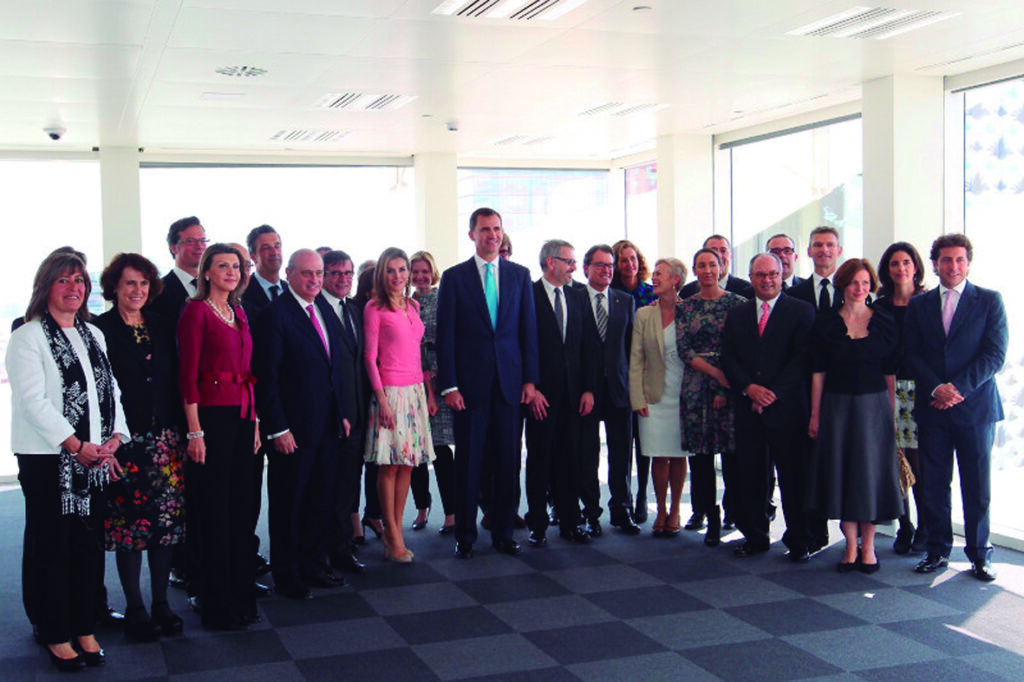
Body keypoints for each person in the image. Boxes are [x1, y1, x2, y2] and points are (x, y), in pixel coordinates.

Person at [7, 249, 128, 671]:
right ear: (46, 286)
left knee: (86, 546)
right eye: (64, 280)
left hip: (92, 457)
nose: (74, 287)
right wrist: (76, 446)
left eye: (80, 280)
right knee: (53, 549)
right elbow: (33, 402)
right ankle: (56, 633)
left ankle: (83, 627)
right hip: (48, 458)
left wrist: (116, 437)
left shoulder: (93, 333)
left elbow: (110, 391)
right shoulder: (28, 336)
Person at [436, 207, 539, 559]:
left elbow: (529, 332)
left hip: (510, 386)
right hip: (469, 389)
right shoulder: (454, 278)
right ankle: (465, 536)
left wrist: (530, 380)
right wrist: (450, 386)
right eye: (484, 230)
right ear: (472, 235)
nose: (492, 235)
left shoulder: (519, 275)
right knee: (469, 463)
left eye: (496, 229)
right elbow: (445, 336)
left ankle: (503, 532)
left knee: (508, 462)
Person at [904, 234, 1007, 582]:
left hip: (975, 410)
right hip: (933, 408)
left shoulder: (989, 301)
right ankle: (937, 551)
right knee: (934, 482)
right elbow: (910, 353)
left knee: (977, 486)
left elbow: (995, 354)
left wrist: (957, 389)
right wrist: (937, 388)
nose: (953, 266)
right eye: (946, 260)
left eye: (960, 260)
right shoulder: (919, 306)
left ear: (968, 263)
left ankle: (980, 555)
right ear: (935, 264)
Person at [94, 254, 185, 641]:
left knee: (165, 527)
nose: (138, 291)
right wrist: (108, 443)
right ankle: (135, 607)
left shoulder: (163, 326)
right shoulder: (99, 330)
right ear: (114, 286)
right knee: (128, 529)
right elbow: (98, 392)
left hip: (165, 441)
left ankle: (161, 603)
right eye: (130, 283)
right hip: (125, 443)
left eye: (144, 284)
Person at [254, 249, 352, 598]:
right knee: (288, 504)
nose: (314, 280)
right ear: (290, 274)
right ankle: (287, 573)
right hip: (292, 432)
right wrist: (278, 428)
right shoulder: (274, 315)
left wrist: (341, 412)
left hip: (326, 426)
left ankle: (314, 565)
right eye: (307, 273)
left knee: (320, 501)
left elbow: (333, 368)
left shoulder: (324, 308)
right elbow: (267, 380)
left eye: (318, 273)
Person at [177, 243, 260, 630]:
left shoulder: (238, 311)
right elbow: (187, 377)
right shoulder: (195, 312)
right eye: (223, 265)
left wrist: (256, 424)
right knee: (214, 514)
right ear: (205, 272)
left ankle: (241, 596)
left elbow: (248, 372)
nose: (231, 271)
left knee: (242, 512)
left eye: (237, 266)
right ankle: (216, 603)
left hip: (243, 418)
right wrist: (195, 431)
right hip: (210, 419)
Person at [806, 258, 902, 573]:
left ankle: (870, 548)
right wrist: (815, 415)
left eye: (864, 283)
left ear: (870, 286)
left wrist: (892, 414)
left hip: (874, 408)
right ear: (843, 286)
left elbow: (890, 373)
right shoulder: (826, 322)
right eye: (853, 283)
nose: (859, 289)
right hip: (836, 407)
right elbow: (818, 372)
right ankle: (849, 547)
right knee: (843, 474)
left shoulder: (884, 321)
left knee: (870, 476)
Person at [721, 253, 818, 561]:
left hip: (787, 410)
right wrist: (750, 389)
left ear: (781, 276)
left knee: (793, 478)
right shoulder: (737, 314)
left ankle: (798, 539)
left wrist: (771, 394)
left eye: (772, 274)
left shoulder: (802, 311)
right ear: (751, 277)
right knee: (750, 477)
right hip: (749, 408)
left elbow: (803, 359)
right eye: (760, 275)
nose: (767, 280)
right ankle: (755, 536)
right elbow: (728, 358)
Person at [364, 247, 436, 562]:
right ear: (382, 273)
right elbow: (369, 358)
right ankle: (392, 535)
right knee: (389, 464)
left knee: (407, 463)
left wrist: (429, 393)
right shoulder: (374, 307)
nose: (398, 276)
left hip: (415, 391)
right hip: (390, 391)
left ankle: (396, 531)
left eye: (402, 270)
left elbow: (417, 354)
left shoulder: (413, 306)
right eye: (391, 270)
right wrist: (382, 400)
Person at [524, 240, 597, 547]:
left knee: (571, 460)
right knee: (539, 460)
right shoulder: (528, 294)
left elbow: (590, 345)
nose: (573, 267)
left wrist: (589, 389)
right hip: (540, 394)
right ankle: (537, 523)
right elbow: (521, 343)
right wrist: (530, 386)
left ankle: (570, 521)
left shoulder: (578, 296)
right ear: (551, 262)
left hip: (573, 394)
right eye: (568, 261)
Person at [677, 248, 746, 546]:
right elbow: (685, 350)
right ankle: (711, 517)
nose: (707, 270)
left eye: (713, 265)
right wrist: (715, 375)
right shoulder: (685, 307)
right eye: (701, 265)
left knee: (732, 457)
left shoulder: (738, 304)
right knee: (701, 459)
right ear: (694, 270)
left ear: (722, 267)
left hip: (731, 385)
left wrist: (723, 382)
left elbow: (741, 348)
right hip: (695, 387)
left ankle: (734, 512)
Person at [578, 245, 640, 535]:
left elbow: (631, 350)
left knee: (621, 454)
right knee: (587, 455)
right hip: (586, 393)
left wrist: (632, 387)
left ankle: (621, 509)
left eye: (610, 265)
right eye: (600, 265)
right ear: (586, 268)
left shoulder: (624, 301)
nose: (607, 270)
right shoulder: (574, 298)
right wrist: (583, 387)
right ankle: (591, 511)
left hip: (619, 390)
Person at [874, 241, 928, 554]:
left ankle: (925, 527)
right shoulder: (879, 306)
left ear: (916, 267)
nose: (901, 269)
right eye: (895, 263)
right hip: (889, 388)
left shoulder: (928, 302)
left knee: (919, 462)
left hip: (921, 389)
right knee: (897, 461)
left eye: (906, 262)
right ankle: (904, 525)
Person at [629, 258, 690, 537]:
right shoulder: (644, 314)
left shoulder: (690, 311)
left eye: (659, 274)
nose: (653, 278)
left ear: (676, 280)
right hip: (653, 394)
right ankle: (661, 508)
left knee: (678, 455)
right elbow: (636, 359)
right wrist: (637, 398)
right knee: (658, 455)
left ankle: (676, 508)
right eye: (653, 273)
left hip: (683, 394)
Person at [319, 250, 370, 570]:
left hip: (358, 413)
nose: (343, 279)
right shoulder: (314, 309)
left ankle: (340, 548)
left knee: (348, 486)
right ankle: (321, 550)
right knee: (324, 487)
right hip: (327, 417)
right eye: (336, 273)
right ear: (323, 276)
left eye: (348, 273)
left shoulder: (355, 309)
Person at [409, 250, 456, 534]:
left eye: (425, 271)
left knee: (440, 449)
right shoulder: (404, 303)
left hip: (440, 382)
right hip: (411, 382)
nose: (420, 277)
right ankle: (421, 508)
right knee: (416, 452)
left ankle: (451, 513)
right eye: (415, 272)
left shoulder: (443, 299)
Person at [610, 238, 654, 522]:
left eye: (633, 258)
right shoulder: (609, 293)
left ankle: (641, 497)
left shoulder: (652, 294)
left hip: (648, 376)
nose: (629, 264)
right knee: (623, 442)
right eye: (623, 260)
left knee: (645, 440)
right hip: (620, 376)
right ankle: (623, 497)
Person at [148, 216, 208, 325]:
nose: (199, 246)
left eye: (203, 241)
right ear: (174, 248)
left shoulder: (215, 286)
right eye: (191, 241)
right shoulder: (158, 290)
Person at [789, 226, 844, 313]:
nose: (824, 249)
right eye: (818, 245)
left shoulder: (849, 290)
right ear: (809, 252)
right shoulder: (792, 294)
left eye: (830, 245)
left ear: (839, 251)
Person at [680, 235, 753, 299]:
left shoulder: (746, 290)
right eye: (713, 250)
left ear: (731, 256)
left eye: (723, 251)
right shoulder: (687, 292)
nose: (719, 256)